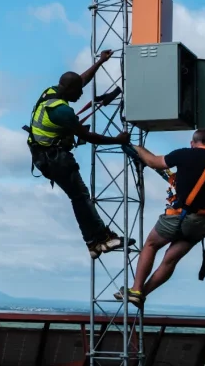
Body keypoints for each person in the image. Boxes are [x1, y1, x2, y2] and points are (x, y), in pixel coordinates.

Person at [26, 49, 134, 259]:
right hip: (54, 159)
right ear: (68, 90)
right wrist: (118, 140)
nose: (82, 94)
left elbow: (81, 80)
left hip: (43, 156)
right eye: (78, 92)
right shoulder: (62, 111)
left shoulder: (51, 92)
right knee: (80, 197)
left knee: (79, 197)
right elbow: (90, 137)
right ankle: (100, 239)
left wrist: (100, 62)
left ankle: (94, 242)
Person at [115, 128, 205, 307]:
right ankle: (141, 293)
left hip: (177, 217)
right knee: (170, 259)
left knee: (151, 245)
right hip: (202, 224)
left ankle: (136, 289)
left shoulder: (184, 154)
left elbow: (153, 161)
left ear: (192, 143)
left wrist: (137, 148)